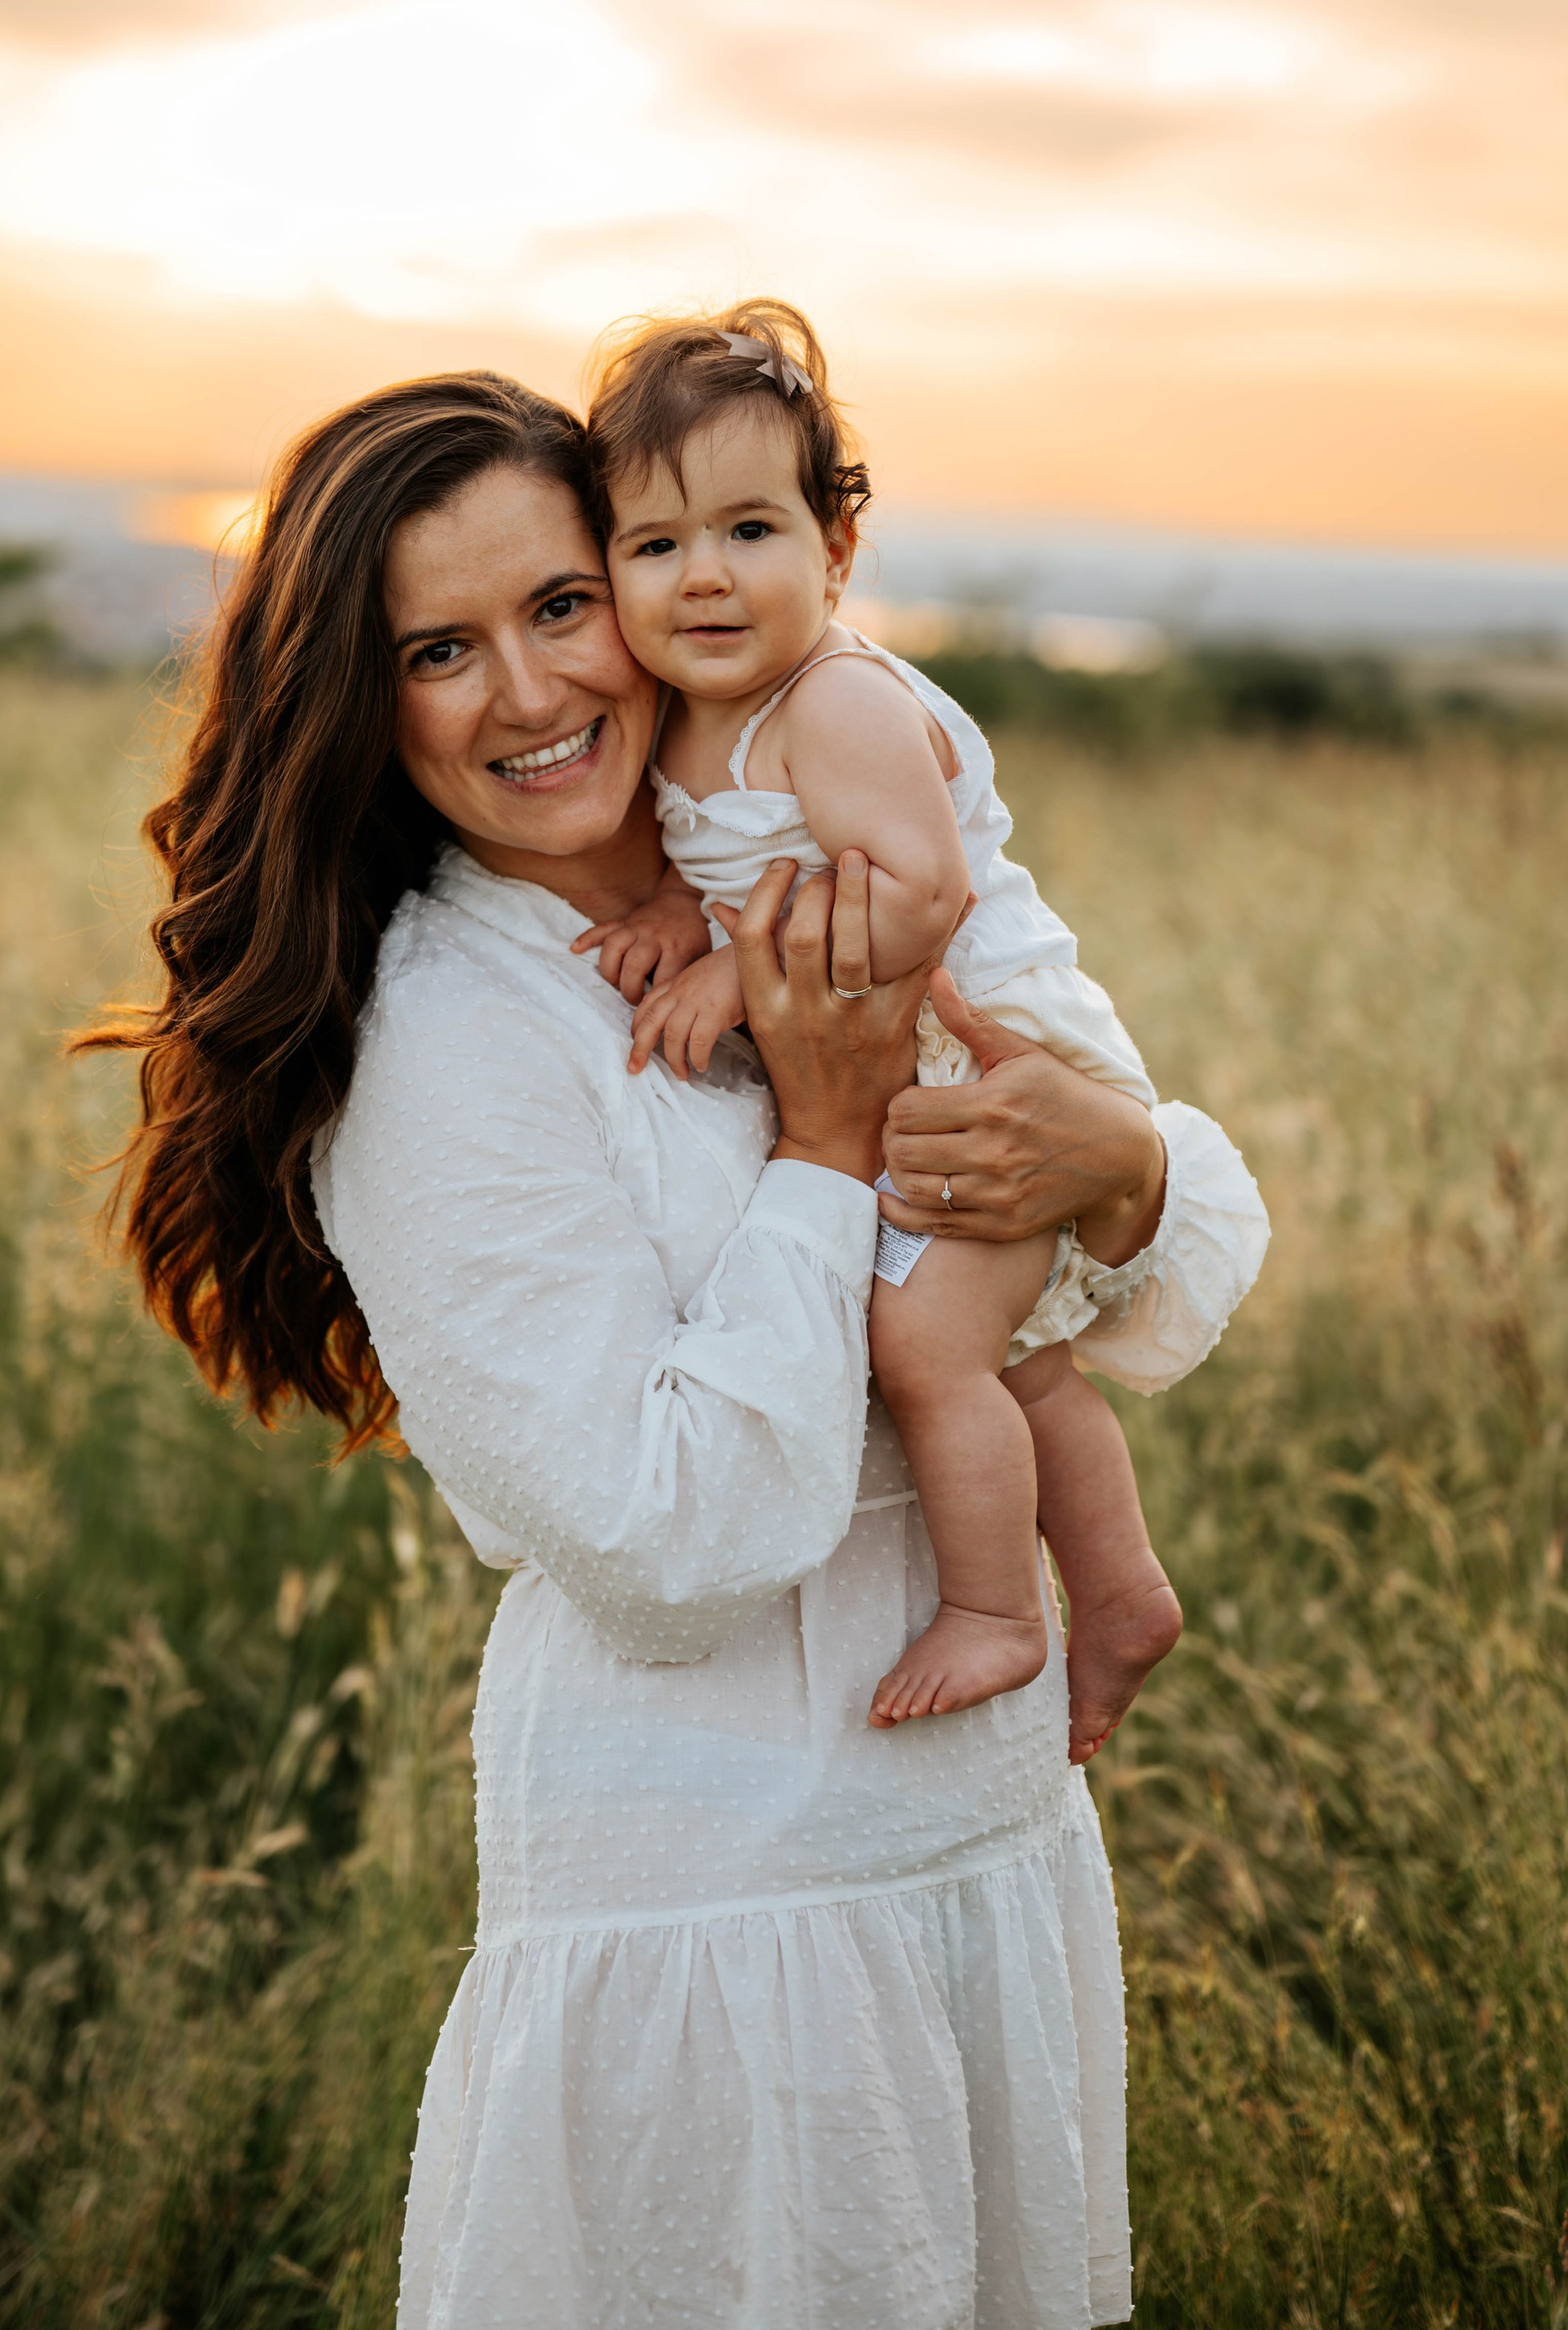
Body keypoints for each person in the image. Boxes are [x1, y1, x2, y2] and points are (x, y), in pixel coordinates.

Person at [87, 369, 1270, 2330]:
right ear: (355, 705)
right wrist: (819, 1138)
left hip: (973, 1847)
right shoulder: (444, 1040)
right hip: (722, 1892)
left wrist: (1123, 1165)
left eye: (559, 606)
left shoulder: (774, 856)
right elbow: (668, 1544)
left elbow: (1128, 1301)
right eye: (436, 651)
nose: (532, 692)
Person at [579, 301, 1192, 1754]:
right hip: (907, 1064)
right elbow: (715, 847)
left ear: (835, 552)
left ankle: (1000, 1608)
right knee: (1016, 1352)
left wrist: (736, 966)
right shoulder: (687, 713)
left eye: (749, 531)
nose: (704, 578)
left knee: (925, 1351)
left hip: (989, 1061)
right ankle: (1119, 1583)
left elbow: (919, 893)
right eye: (655, 547)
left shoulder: (835, 699)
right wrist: (677, 909)